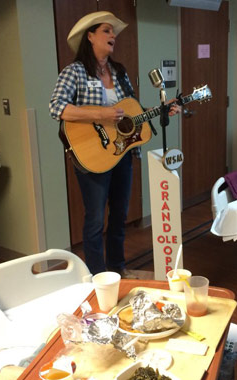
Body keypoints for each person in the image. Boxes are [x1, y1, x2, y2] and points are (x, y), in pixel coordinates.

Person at [49, 12, 180, 278]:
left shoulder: (119, 72)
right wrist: (99, 114)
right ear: (90, 36)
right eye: (107, 31)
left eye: (113, 33)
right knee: (96, 219)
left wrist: (160, 110)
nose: (113, 37)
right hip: (92, 155)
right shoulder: (74, 72)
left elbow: (132, 113)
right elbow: (57, 108)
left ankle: (118, 269)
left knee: (119, 215)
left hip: (122, 154)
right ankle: (98, 276)